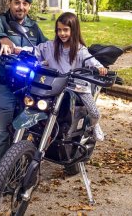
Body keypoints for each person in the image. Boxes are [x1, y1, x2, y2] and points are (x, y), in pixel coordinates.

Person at [0, 0, 47, 169]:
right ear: (10, 3)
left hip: (28, 89)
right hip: (4, 87)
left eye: (25, 4)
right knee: (1, 132)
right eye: (17, 2)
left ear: (29, 7)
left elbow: (47, 47)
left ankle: (18, 174)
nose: (20, 7)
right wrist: (2, 39)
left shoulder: (33, 27)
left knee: (24, 131)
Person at [16, 12, 106, 141]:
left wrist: (99, 67)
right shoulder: (50, 46)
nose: (62, 33)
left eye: (66, 30)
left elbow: (92, 61)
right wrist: (18, 49)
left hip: (77, 86)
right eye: (59, 30)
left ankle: (94, 125)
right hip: (54, 85)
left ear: (74, 30)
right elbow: (35, 50)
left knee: (94, 112)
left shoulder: (81, 50)